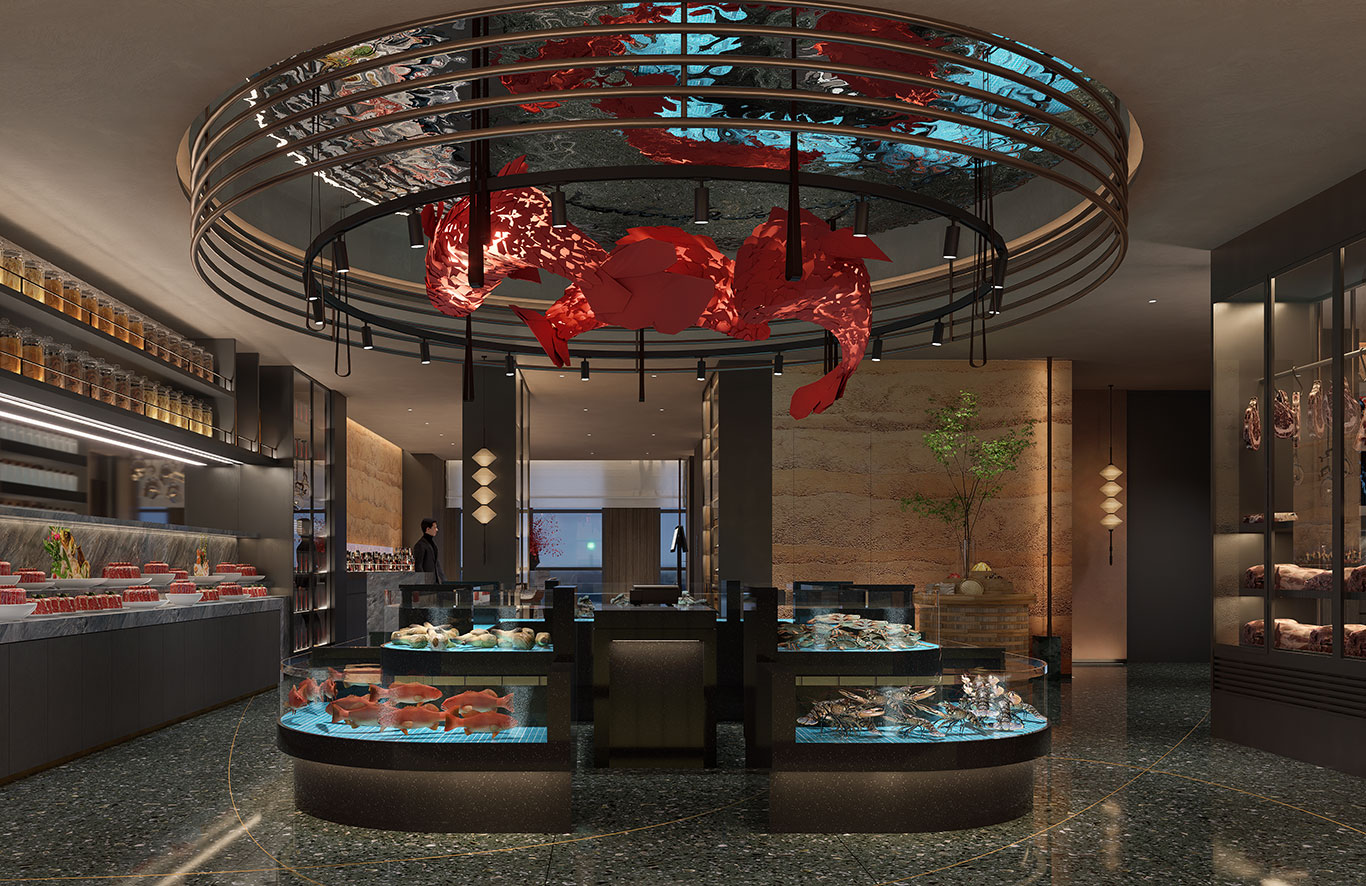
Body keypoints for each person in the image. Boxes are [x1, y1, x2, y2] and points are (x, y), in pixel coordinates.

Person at [412, 517, 445, 582]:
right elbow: (418, 566)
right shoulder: (420, 545)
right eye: (434, 528)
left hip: (435, 581)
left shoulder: (433, 544)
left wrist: (443, 580)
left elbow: (436, 564)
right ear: (428, 529)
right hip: (427, 583)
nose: (437, 530)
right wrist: (423, 583)